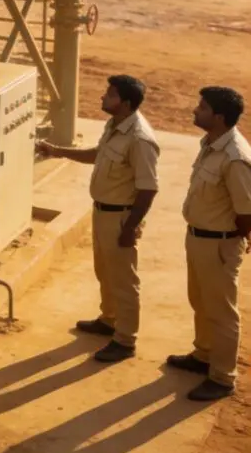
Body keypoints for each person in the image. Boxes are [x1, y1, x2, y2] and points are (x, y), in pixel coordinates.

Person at [37, 75, 159, 363]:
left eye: (111, 94)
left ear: (126, 103)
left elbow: (148, 188)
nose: (103, 97)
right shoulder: (115, 125)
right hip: (103, 212)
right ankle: (109, 319)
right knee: (105, 271)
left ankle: (125, 340)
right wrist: (57, 151)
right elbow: (98, 154)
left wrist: (130, 227)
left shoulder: (140, 139)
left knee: (123, 280)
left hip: (120, 217)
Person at [167, 86, 251, 401]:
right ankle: (203, 354)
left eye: (201, 107)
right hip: (199, 238)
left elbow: (246, 210)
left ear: (219, 117)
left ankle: (222, 377)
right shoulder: (211, 144)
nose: (194, 110)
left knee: (221, 312)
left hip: (219, 244)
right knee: (200, 302)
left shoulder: (235, 156)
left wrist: (236, 243)